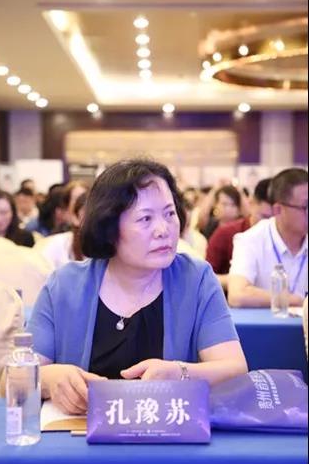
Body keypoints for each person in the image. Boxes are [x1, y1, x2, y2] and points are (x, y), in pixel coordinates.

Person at [28, 159, 246, 415]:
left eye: (170, 214)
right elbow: (13, 377)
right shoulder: (64, 285)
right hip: (79, 436)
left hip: (166, 432)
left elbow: (235, 370)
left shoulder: (196, 279)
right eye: (145, 219)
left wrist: (180, 373)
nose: (163, 230)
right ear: (109, 228)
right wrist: (49, 379)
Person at [228, 168, 308, 308]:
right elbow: (237, 295)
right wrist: (296, 301)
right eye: (305, 206)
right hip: (266, 322)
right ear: (278, 210)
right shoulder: (251, 240)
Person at [206, 178, 273, 279]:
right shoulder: (226, 234)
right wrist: (236, 280)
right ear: (252, 203)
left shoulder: (285, 238)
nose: (269, 223)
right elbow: (207, 277)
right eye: (264, 217)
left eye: (275, 218)